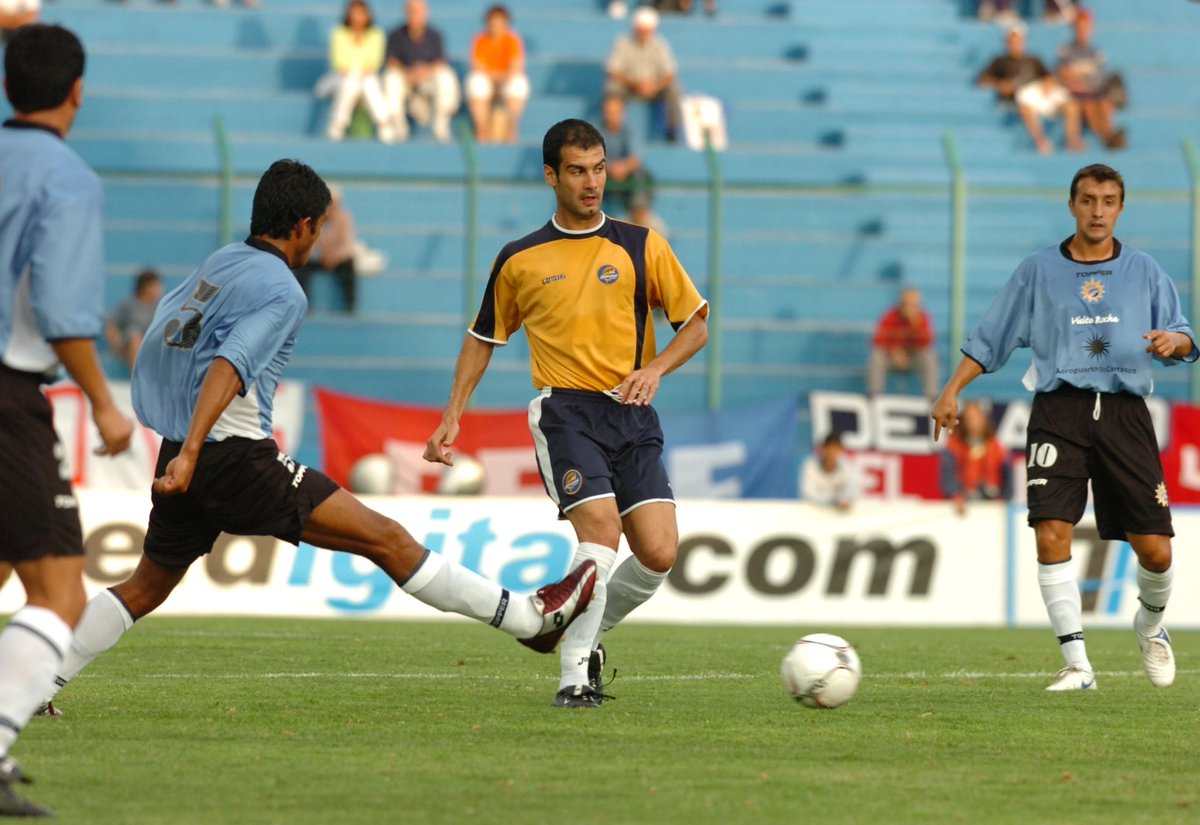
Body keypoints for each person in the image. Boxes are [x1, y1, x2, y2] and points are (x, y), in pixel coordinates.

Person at [36, 160, 598, 719]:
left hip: (187, 451)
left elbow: (164, 334)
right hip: (230, 459)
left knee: (145, 586)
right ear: (303, 224)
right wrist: (191, 450)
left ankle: (34, 683)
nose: (321, 238)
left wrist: (174, 432)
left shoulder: (221, 263)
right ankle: (529, 621)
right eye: (322, 226)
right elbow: (228, 366)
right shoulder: (284, 290)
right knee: (387, 539)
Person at [424, 119, 709, 709]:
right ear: (551, 174)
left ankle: (588, 629)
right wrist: (453, 413)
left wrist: (655, 370)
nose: (592, 182)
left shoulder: (641, 244)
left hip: (632, 413)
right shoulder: (521, 258)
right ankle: (574, 676)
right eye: (577, 170)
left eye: (600, 168)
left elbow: (696, 326)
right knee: (601, 535)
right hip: (566, 412)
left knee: (658, 553)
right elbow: (483, 337)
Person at [931, 163, 1195, 692]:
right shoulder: (1036, 271)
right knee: (1051, 531)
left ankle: (1150, 626)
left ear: (1121, 208)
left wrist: (1175, 343)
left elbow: (1185, 336)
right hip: (1059, 412)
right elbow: (991, 337)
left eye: (1109, 201)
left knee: (1156, 550)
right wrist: (951, 389)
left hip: (1124, 415)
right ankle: (1078, 665)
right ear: (1071, 204)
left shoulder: (1144, 270)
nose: (1098, 210)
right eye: (1089, 200)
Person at [0, 24, 134, 818]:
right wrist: (104, 402)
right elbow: (61, 313)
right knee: (58, 589)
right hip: (10, 393)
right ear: (78, 91)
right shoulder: (68, 178)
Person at [383, 0, 461, 143]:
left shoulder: (435, 35)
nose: (415, 16)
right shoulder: (396, 34)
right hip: (405, 81)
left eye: (418, 12)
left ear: (426, 13)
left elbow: (440, 61)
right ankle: (397, 125)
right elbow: (391, 61)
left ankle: (441, 124)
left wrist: (424, 71)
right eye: (411, 12)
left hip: (427, 81)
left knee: (446, 76)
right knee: (391, 78)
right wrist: (408, 72)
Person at [604, 6, 682, 142]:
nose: (643, 34)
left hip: (654, 88)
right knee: (612, 88)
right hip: (629, 86)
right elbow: (612, 71)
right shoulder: (623, 43)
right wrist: (636, 85)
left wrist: (655, 86)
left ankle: (672, 129)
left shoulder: (660, 45)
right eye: (640, 30)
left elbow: (670, 73)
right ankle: (612, 126)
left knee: (674, 89)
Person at [325, 0, 396, 144]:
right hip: (342, 79)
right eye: (354, 13)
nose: (357, 17)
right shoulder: (338, 33)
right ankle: (339, 123)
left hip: (365, 80)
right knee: (351, 83)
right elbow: (338, 62)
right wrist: (355, 71)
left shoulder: (376, 34)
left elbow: (374, 63)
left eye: (361, 13)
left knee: (368, 82)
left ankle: (383, 123)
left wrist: (358, 72)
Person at [1056, 7, 1125, 149]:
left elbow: (1100, 79)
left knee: (1104, 103)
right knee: (1088, 104)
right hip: (1074, 94)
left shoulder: (1096, 52)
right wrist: (1079, 80)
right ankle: (1107, 137)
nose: (1082, 30)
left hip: (1092, 92)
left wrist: (1079, 78)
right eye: (1079, 26)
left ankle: (1109, 135)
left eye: (1085, 26)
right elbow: (1062, 74)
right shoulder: (1066, 50)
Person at [464, 4, 529, 144]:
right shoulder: (480, 40)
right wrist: (495, 77)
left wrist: (500, 78)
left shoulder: (512, 40)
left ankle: (511, 129)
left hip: (504, 81)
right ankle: (482, 130)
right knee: (476, 82)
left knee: (518, 84)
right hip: (489, 81)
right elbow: (477, 66)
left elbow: (515, 67)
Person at [293, 186, 358, 312]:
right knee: (301, 266)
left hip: (337, 259)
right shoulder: (313, 218)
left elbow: (348, 244)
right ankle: (305, 305)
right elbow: (307, 242)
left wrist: (335, 256)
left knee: (349, 266)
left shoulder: (345, 218)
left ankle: (350, 306)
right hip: (319, 257)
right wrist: (321, 254)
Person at [939, 400, 1008, 515]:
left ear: (984, 419)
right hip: (964, 502)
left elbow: (1006, 474)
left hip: (992, 503)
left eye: (976, 417)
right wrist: (955, 495)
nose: (973, 422)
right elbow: (948, 474)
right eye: (969, 418)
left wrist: (1004, 500)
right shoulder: (954, 445)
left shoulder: (996, 446)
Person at [867, 286, 938, 398]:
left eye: (912, 304)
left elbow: (927, 342)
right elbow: (878, 339)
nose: (908, 307)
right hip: (891, 358)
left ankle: (931, 396)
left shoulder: (922, 318)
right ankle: (874, 395)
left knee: (929, 357)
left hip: (913, 358)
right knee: (877, 355)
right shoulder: (890, 315)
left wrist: (915, 324)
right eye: (906, 304)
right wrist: (893, 352)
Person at [975, 23, 1050, 107]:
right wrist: (1000, 84)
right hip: (1015, 101)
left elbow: (1048, 77)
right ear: (1006, 42)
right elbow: (982, 79)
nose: (1014, 44)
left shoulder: (1034, 60)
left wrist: (1045, 86)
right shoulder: (999, 61)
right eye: (1011, 41)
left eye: (1018, 41)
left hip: (1036, 98)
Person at [104, 268, 164, 370]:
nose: (160, 289)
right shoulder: (128, 304)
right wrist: (116, 344)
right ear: (146, 287)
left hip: (152, 343)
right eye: (157, 285)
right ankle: (137, 375)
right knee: (135, 337)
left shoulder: (161, 306)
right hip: (129, 344)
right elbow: (111, 325)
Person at [1014, 72, 1085, 154]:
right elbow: (1022, 106)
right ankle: (1040, 141)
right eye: (1047, 82)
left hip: (1054, 111)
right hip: (1033, 112)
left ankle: (1072, 141)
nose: (1050, 84)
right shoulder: (1027, 91)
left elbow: (1064, 104)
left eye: (1052, 82)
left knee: (1072, 106)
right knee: (1025, 110)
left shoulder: (1059, 90)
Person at [800, 432, 856, 511]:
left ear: (841, 449)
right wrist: (833, 501)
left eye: (836, 448)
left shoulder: (847, 467)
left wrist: (842, 501)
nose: (833, 452)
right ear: (823, 449)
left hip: (840, 516)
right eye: (830, 448)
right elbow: (808, 493)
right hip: (815, 513)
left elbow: (852, 492)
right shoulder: (811, 466)